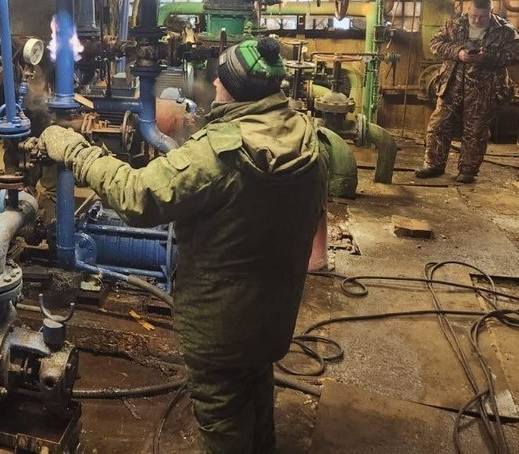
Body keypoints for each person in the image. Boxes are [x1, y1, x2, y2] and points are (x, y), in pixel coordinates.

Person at [34, 36, 326, 454]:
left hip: (220, 326)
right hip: (273, 315)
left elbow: (137, 195)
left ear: (234, 88)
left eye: (221, 78)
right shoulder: (306, 135)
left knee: (222, 417)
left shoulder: (220, 152)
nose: (215, 84)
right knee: (257, 392)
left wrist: (76, 151)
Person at [416, 0, 519, 184]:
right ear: (468, 10)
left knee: (476, 131)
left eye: (482, 16)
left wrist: (487, 56)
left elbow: (517, 55)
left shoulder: (504, 31)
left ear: (491, 12)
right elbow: (435, 44)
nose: (477, 20)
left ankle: (468, 170)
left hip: (484, 89)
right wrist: (458, 52)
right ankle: (434, 165)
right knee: (438, 125)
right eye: (474, 15)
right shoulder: (455, 24)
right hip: (451, 84)